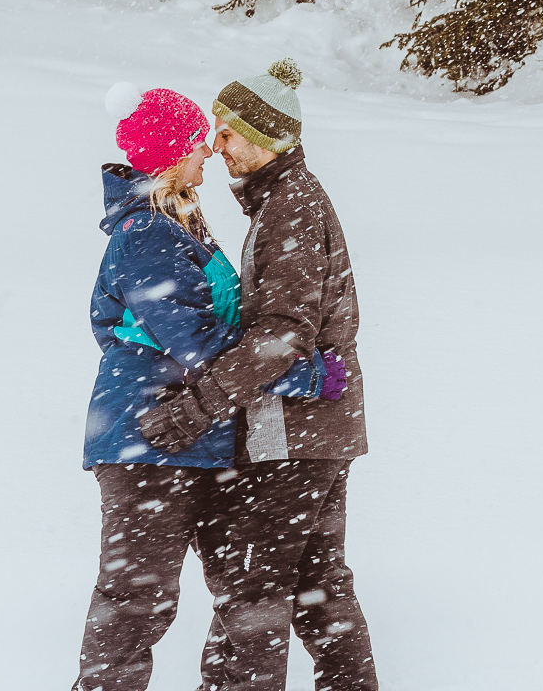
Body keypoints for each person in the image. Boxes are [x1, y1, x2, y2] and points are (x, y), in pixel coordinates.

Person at [74, 85, 335, 691]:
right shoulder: (147, 235)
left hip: (204, 438)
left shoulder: (176, 224)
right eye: (197, 145)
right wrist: (306, 374)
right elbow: (201, 341)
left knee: (247, 599)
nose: (207, 157)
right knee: (138, 600)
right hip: (147, 444)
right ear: (171, 156)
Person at [138, 59, 378, 691]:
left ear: (269, 138)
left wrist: (197, 408)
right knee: (319, 588)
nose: (215, 147)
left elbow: (279, 337)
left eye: (227, 131)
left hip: (295, 437)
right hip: (321, 432)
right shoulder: (284, 203)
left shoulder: (289, 210)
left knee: (252, 590)